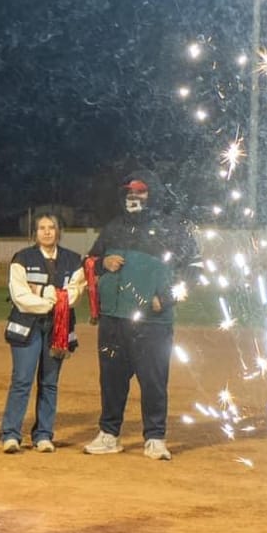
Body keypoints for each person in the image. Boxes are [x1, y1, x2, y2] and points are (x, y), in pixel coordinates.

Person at [82, 171, 203, 461]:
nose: (133, 197)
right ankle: (109, 434)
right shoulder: (113, 228)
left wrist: (169, 297)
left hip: (153, 322)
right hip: (113, 319)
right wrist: (102, 263)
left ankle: (155, 437)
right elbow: (89, 261)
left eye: (140, 191)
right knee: (111, 379)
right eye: (128, 192)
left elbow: (196, 268)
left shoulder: (171, 229)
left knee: (153, 380)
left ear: (153, 194)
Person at [0, 214, 85, 454]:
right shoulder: (22, 258)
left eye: (52, 228)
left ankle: (44, 435)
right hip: (26, 327)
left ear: (59, 231)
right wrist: (52, 300)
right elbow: (19, 296)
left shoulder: (73, 260)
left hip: (58, 329)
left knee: (49, 383)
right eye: (41, 228)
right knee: (22, 380)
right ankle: (11, 434)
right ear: (35, 233)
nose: (47, 232)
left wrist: (45, 293)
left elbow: (75, 294)